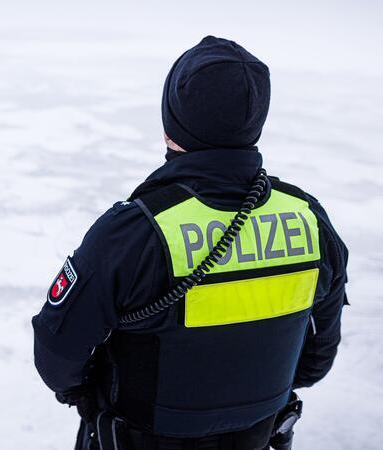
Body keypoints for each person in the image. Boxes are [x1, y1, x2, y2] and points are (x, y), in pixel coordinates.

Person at [32, 36, 348, 450]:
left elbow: (58, 353)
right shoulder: (309, 220)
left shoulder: (135, 231)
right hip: (257, 436)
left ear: (172, 122)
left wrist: (94, 391)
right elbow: (316, 359)